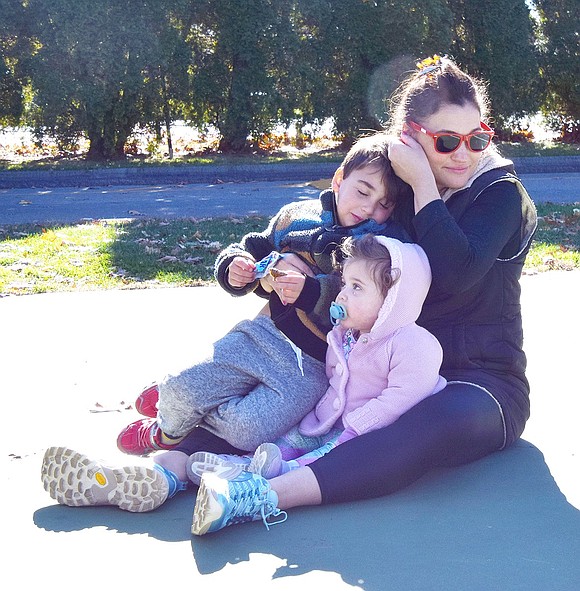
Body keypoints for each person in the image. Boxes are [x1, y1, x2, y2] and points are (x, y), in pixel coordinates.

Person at [190, 54, 538, 536]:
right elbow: (337, 237)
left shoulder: (499, 193)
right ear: (410, 139)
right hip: (378, 364)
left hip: (480, 384)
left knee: (413, 424)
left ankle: (259, 495)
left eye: (478, 137)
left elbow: (455, 272)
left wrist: (422, 181)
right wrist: (287, 264)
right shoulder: (392, 196)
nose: (465, 153)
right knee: (300, 404)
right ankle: (168, 464)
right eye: (447, 141)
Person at [41, 133, 411, 511]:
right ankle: (166, 428)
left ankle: (179, 413)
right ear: (338, 180)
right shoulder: (295, 217)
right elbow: (251, 247)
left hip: (314, 366)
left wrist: (310, 291)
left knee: (249, 430)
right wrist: (235, 269)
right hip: (262, 334)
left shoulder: (373, 248)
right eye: (362, 191)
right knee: (181, 391)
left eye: (383, 204)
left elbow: (365, 301)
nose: (369, 209)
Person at [186, 233, 446, 485]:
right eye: (345, 284)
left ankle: (273, 475)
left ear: (393, 300)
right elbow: (333, 381)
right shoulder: (343, 337)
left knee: (320, 460)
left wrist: (357, 427)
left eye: (357, 287)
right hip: (327, 423)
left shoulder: (414, 344)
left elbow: (400, 399)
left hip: (367, 434)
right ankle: (242, 465)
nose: (342, 295)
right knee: (286, 442)